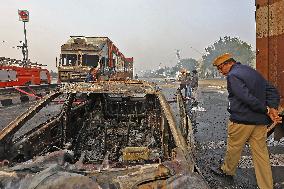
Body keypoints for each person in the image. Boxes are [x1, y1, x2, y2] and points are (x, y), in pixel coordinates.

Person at [211, 53, 282, 189]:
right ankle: (266, 186)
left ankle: (228, 170)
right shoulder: (251, 71)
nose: (220, 72)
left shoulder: (233, 76)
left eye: (220, 68)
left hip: (241, 121)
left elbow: (246, 98)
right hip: (260, 122)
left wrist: (267, 110)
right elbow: (272, 90)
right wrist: (273, 108)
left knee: (234, 148)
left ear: (228, 64)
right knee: (261, 155)